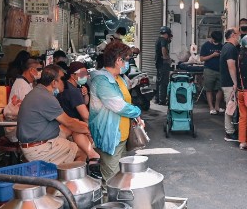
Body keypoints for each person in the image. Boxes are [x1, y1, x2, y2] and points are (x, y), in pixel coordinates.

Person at [17, 65, 94, 166]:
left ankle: (92, 154)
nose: (65, 82)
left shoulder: (38, 92)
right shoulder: (46, 97)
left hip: (35, 140)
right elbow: (70, 122)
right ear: (54, 83)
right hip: (38, 148)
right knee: (81, 151)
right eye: (62, 79)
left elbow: (70, 123)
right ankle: (71, 179)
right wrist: (91, 130)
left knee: (76, 126)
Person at [90, 40, 144, 180]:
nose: (128, 63)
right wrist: (137, 112)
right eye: (127, 59)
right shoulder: (102, 81)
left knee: (122, 179)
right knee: (112, 181)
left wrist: (135, 118)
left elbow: (126, 100)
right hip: (110, 138)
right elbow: (119, 106)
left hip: (122, 138)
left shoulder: (119, 78)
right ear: (118, 60)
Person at [220, 28, 241, 142]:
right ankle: (229, 132)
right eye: (238, 34)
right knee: (230, 107)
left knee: (231, 106)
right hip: (229, 83)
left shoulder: (226, 47)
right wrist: (235, 82)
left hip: (227, 82)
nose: (240, 37)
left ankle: (231, 130)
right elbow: (231, 66)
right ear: (233, 35)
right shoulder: (230, 48)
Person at [199, 30, 224, 115]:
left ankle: (217, 106)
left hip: (220, 70)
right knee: (209, 89)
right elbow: (201, 59)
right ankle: (211, 107)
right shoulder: (206, 46)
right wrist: (212, 55)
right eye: (215, 40)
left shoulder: (222, 46)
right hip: (209, 70)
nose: (217, 42)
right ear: (212, 38)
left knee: (220, 89)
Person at [155, 26, 172, 105]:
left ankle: (157, 99)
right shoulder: (163, 40)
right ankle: (162, 100)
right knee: (164, 82)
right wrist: (167, 58)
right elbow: (163, 49)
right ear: (167, 34)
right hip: (163, 63)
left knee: (159, 81)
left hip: (158, 63)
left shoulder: (158, 39)